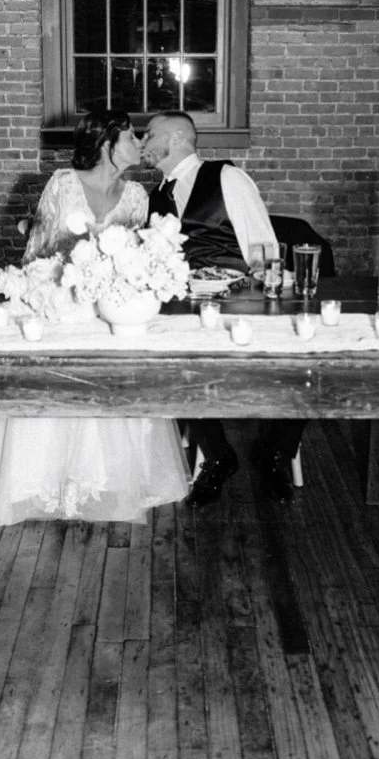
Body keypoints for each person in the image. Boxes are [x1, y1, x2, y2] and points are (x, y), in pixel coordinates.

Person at [0, 109, 191, 525]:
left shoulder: (138, 195)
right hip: (58, 302)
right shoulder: (64, 184)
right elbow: (37, 253)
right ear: (106, 143)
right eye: (130, 137)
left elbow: (135, 258)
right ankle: (30, 479)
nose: (139, 144)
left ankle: (102, 479)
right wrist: (60, 290)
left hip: (106, 310)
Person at [140, 111, 296, 505]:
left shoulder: (227, 178)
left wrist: (261, 299)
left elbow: (264, 249)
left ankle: (278, 450)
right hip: (185, 306)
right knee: (172, 361)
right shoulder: (155, 196)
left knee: (304, 363)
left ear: (177, 137)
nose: (143, 141)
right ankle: (218, 456)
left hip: (241, 299)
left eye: (150, 133)